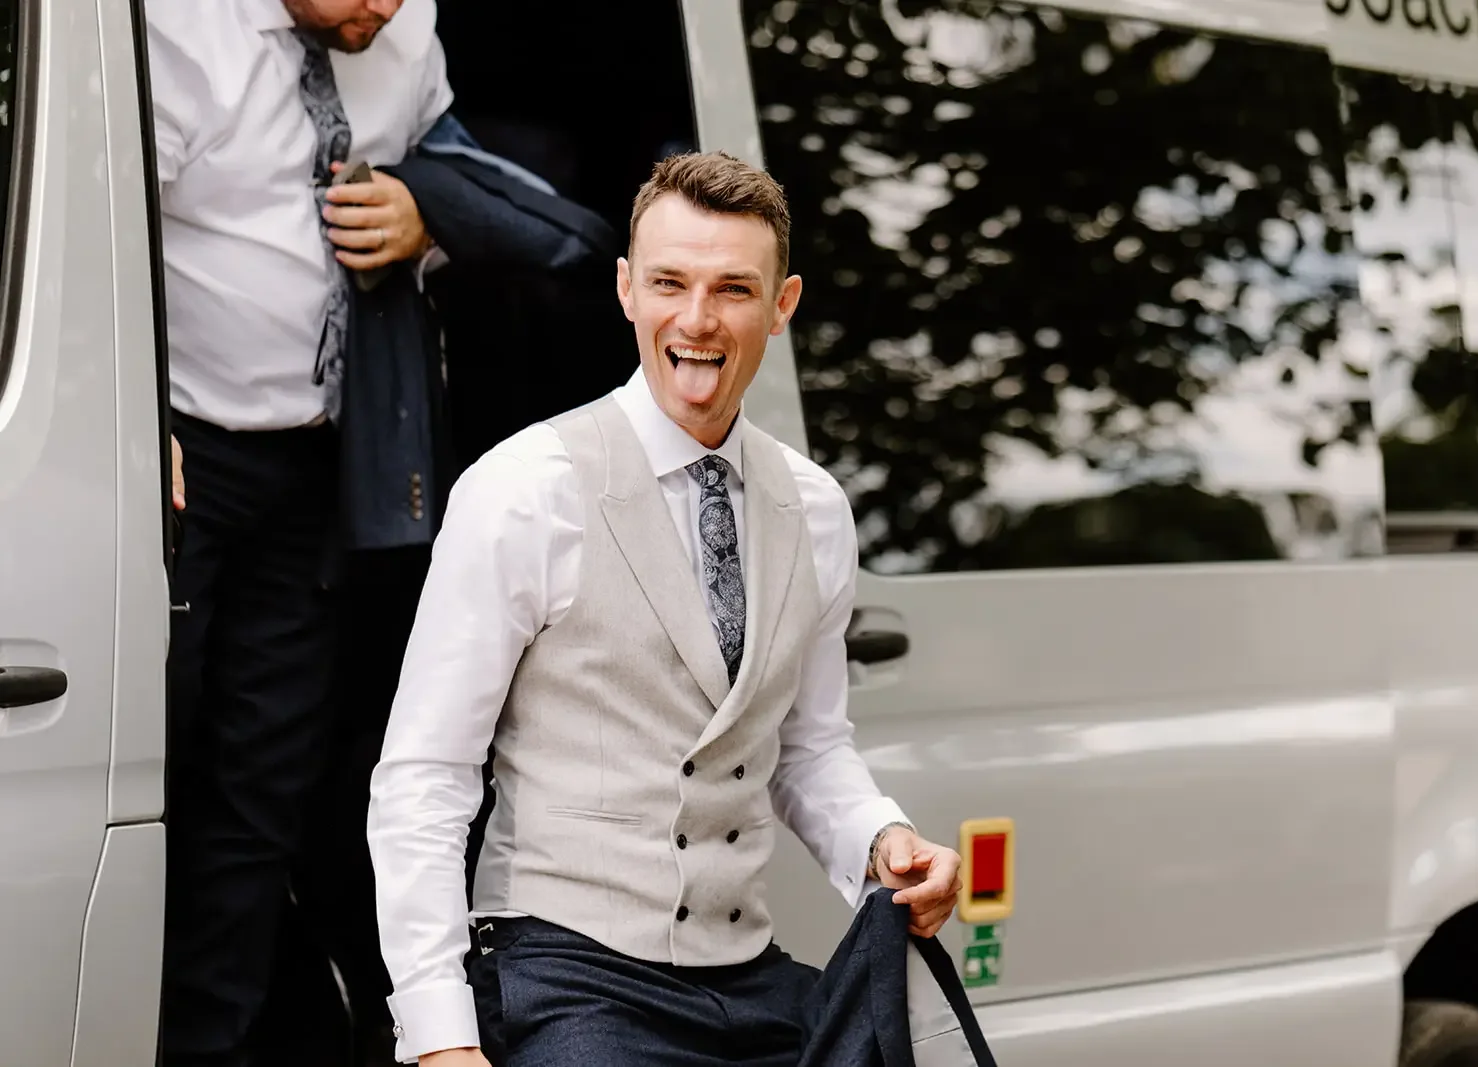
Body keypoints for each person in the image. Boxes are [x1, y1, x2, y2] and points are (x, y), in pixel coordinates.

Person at [367, 150, 964, 1066]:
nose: (696, 319)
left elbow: (808, 749)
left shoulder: (813, 509)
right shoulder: (526, 489)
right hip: (569, 975)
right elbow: (426, 776)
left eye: (732, 289)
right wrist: (439, 1038)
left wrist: (884, 840)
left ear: (782, 305)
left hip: (750, 979)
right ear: (626, 291)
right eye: (669, 284)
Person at [146, 0, 453, 1062]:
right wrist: (129, 410)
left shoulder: (404, 29)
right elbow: (90, 225)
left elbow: (456, 162)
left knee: (260, 784)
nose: (384, 5)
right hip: (172, 452)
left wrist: (428, 211)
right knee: (149, 768)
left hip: (319, 464)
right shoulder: (176, 34)